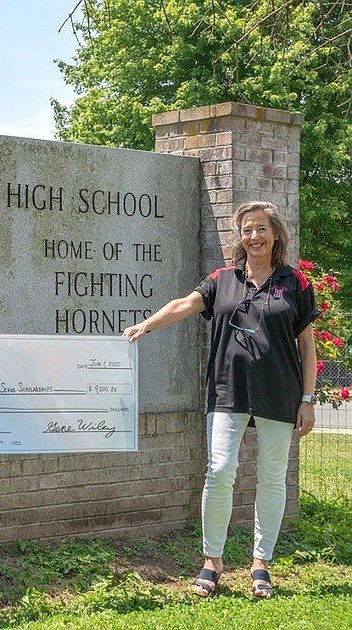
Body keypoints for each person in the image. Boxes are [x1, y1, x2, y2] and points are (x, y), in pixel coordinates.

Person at [123, 201, 318, 598]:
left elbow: (307, 346)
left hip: (280, 394)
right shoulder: (222, 279)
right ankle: (212, 561)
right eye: (247, 230)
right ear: (239, 236)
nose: (254, 237)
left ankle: (261, 564)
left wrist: (308, 398)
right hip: (228, 390)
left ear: (275, 234)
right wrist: (147, 323)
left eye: (261, 229)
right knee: (220, 470)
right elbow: (184, 304)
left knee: (272, 476)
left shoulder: (295, 283)